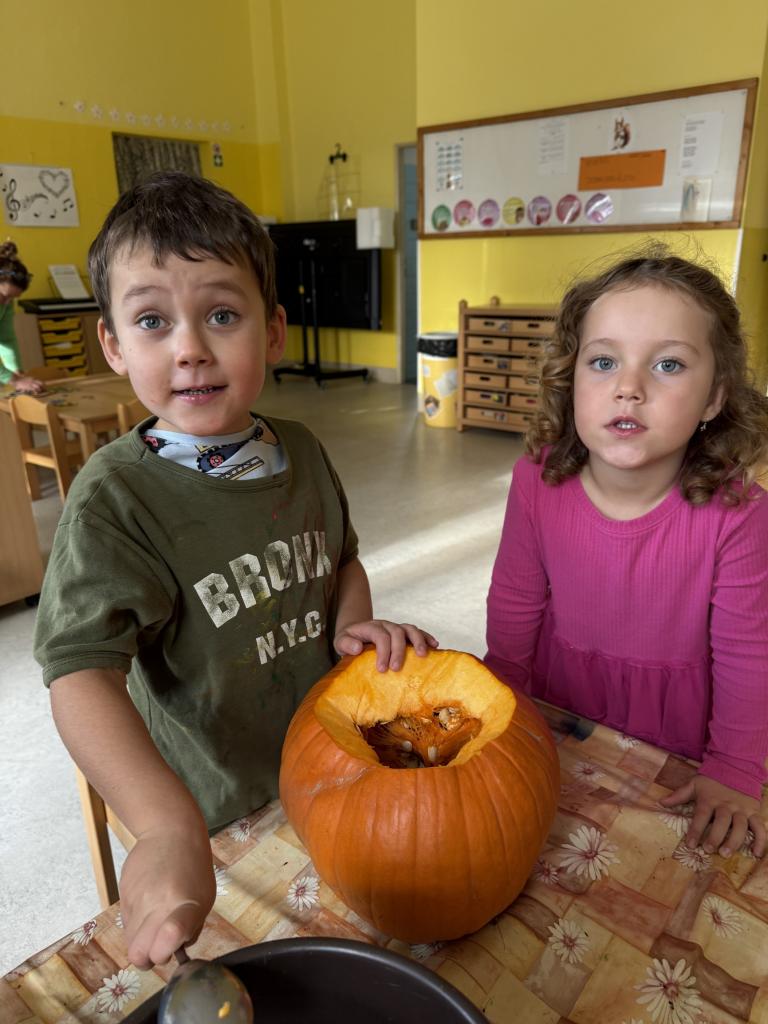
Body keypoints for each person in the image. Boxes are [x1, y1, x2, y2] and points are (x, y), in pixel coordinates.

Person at [33, 171, 438, 970]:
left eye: (222, 314)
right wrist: (163, 825)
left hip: (326, 766)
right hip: (214, 807)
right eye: (153, 321)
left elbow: (341, 560)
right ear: (114, 345)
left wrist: (353, 624)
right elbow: (79, 675)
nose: (190, 347)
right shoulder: (114, 499)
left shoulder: (304, 450)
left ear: (274, 331)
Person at [485, 248, 768, 864]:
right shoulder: (536, 481)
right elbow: (514, 601)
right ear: (570, 378)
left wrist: (735, 767)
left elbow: (749, 655)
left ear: (714, 398)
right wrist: (500, 696)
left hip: (679, 730)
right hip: (557, 701)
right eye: (604, 361)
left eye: (668, 364)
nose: (629, 388)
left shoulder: (741, 515)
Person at [0, 241, 44, 393]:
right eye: (4, 296)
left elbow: (6, 339)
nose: (7, 303)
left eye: (12, 298)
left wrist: (16, 370)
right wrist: (14, 380)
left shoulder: (6, 303)